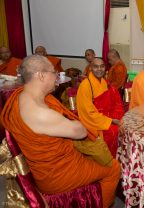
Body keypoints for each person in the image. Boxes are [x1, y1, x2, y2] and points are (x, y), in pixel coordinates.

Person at [0, 55, 120, 208]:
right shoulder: (39, 112)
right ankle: (105, 204)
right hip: (57, 174)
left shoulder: (20, 96)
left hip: (47, 164)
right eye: (53, 72)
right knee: (114, 168)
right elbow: (81, 131)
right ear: (41, 75)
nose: (57, 76)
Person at [76, 58, 124, 158]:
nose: (99, 69)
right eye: (96, 66)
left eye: (102, 66)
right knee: (113, 131)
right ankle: (108, 159)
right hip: (94, 122)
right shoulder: (85, 86)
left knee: (124, 127)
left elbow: (113, 103)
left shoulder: (104, 83)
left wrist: (115, 118)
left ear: (105, 68)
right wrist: (110, 121)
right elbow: (88, 113)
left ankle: (117, 157)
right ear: (90, 68)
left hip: (105, 117)